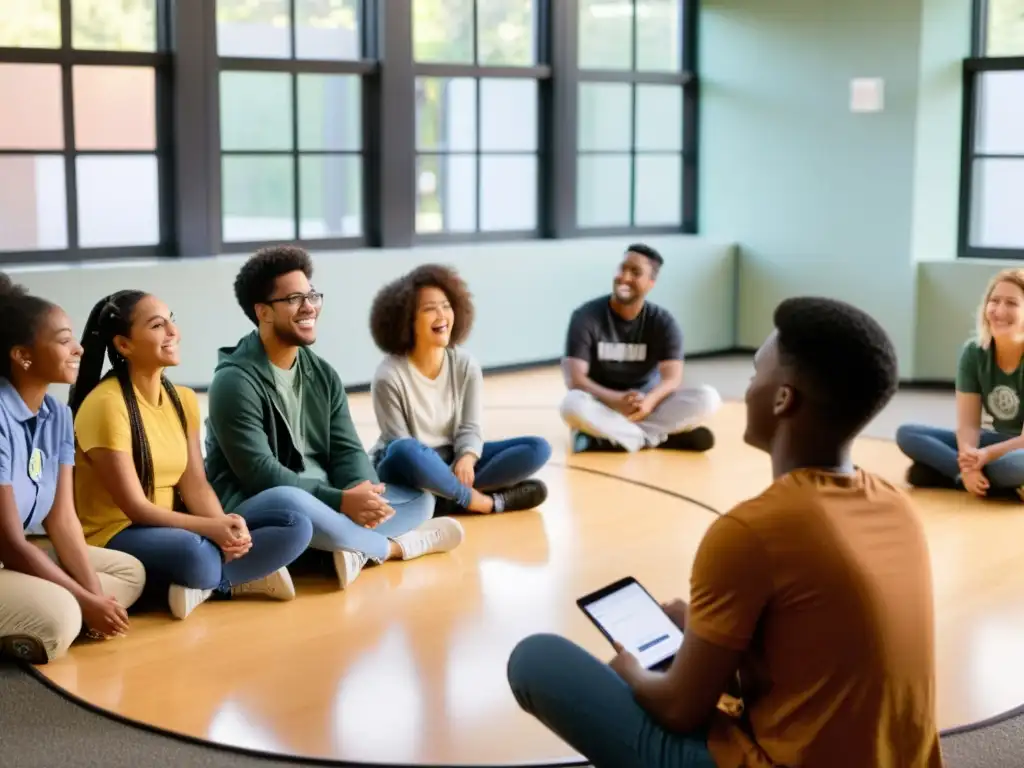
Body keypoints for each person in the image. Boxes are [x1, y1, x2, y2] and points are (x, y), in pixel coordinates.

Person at [508, 297, 943, 768]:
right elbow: (821, 652)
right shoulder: (896, 506)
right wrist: (704, 630)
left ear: (783, 399)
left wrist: (631, 673)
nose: (748, 387)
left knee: (536, 660)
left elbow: (678, 708)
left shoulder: (749, 531)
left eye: (756, 374)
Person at [204, 246, 465, 591]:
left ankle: (342, 548)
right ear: (263, 312)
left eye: (311, 295)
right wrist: (341, 501)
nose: (309, 306)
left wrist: (363, 492)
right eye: (295, 298)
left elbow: (347, 449)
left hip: (329, 502)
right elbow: (261, 476)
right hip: (264, 504)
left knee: (422, 499)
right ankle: (394, 548)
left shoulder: (322, 374)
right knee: (292, 503)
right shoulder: (234, 381)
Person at [68, 291, 314, 621]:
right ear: (124, 345)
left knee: (295, 524)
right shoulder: (106, 406)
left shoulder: (182, 399)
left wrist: (222, 528)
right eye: (158, 325)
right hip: (117, 534)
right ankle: (227, 579)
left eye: (172, 320)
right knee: (194, 554)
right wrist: (209, 530)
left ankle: (205, 584)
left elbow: (196, 484)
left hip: (177, 526)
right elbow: (135, 508)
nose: (173, 332)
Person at [0, 275, 145, 663]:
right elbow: (10, 544)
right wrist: (84, 599)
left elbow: (62, 519)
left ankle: (62, 605)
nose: (79, 349)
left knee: (130, 574)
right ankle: (58, 612)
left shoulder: (58, 415)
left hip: (20, 555)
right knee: (61, 616)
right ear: (22, 355)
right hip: (8, 554)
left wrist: (95, 597)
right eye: (64, 340)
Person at [367, 264, 551, 515]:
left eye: (446, 306)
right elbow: (401, 445)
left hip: (453, 459)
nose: (442, 315)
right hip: (409, 466)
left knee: (537, 449)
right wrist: (459, 485)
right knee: (404, 449)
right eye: (430, 309)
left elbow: (470, 427)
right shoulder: (388, 376)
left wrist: (467, 457)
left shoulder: (465, 365)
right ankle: (482, 502)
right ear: (407, 319)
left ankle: (442, 500)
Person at [559, 244, 721, 454]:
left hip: (648, 408)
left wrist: (649, 401)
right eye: (622, 268)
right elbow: (575, 380)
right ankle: (659, 438)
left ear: (651, 283)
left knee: (708, 398)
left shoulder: (663, 321)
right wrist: (615, 400)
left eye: (635, 272)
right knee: (571, 405)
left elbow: (672, 378)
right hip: (602, 405)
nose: (624, 277)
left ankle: (612, 438)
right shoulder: (585, 316)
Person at [897, 268, 1024, 500]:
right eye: (994, 301)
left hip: (1019, 450)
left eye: (1012, 303)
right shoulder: (974, 352)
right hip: (996, 440)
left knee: (1016, 466)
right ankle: (984, 483)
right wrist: (969, 466)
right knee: (908, 434)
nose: (999, 310)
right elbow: (968, 426)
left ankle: (944, 474)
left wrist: (984, 455)